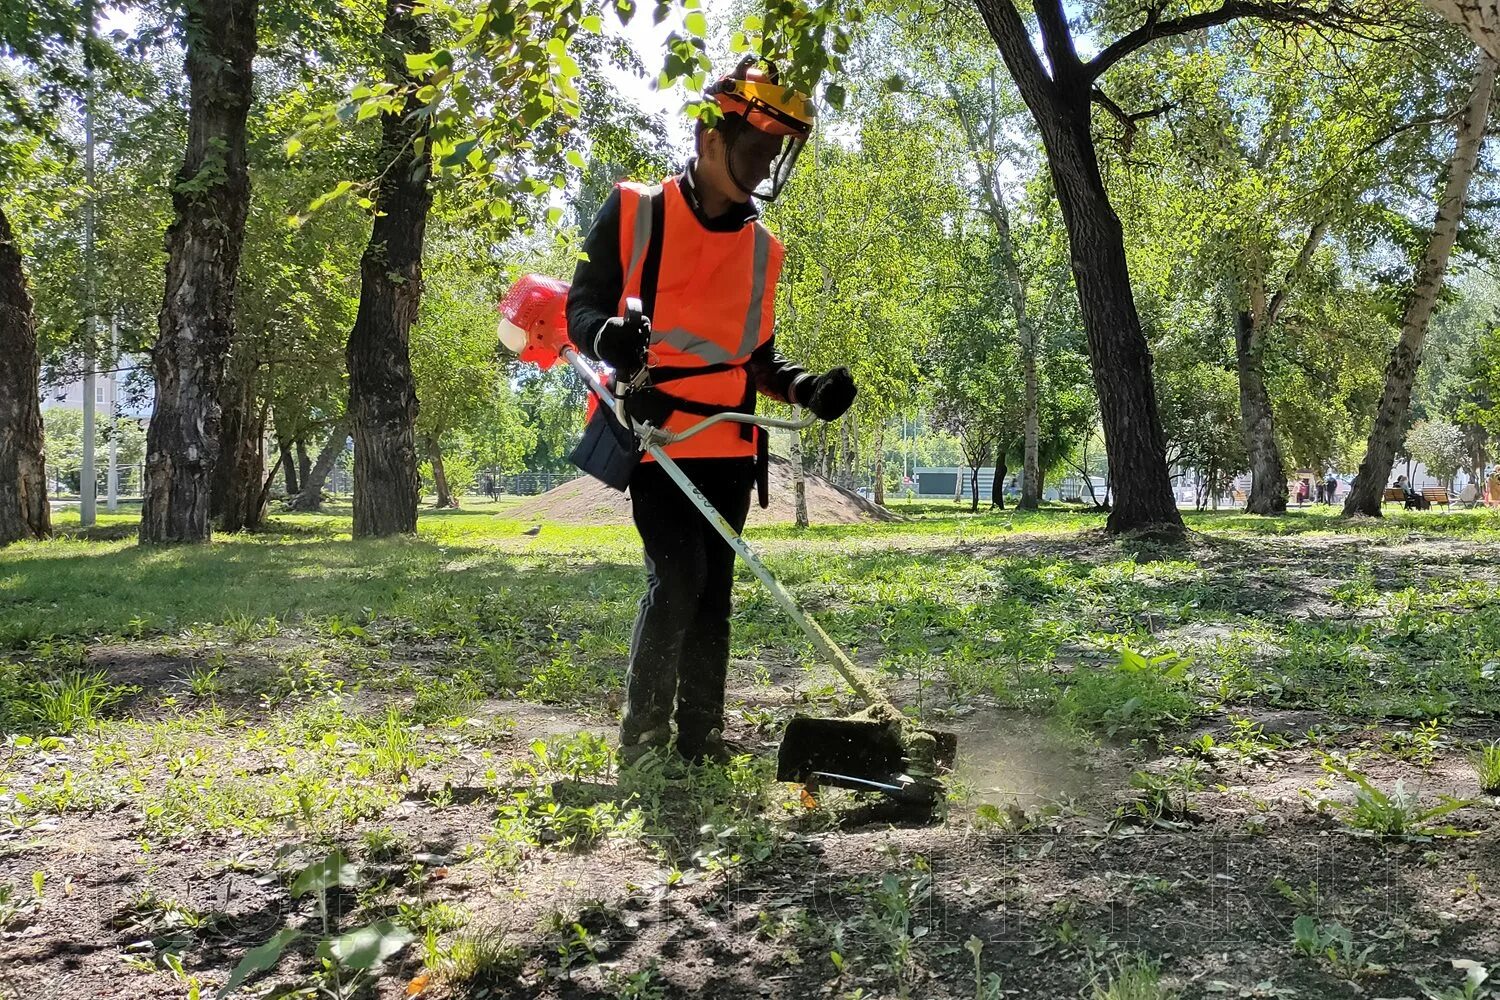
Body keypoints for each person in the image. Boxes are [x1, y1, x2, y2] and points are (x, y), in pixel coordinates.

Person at [565, 57, 855, 766]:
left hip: (726, 443)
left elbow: (758, 359)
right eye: (753, 150)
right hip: (656, 434)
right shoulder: (635, 210)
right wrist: (608, 337)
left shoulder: (763, 250)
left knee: (715, 593)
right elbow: (580, 309)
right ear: (708, 137)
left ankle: (701, 740)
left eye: (772, 155)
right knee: (679, 577)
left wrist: (807, 388)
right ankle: (642, 739)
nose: (761, 168)